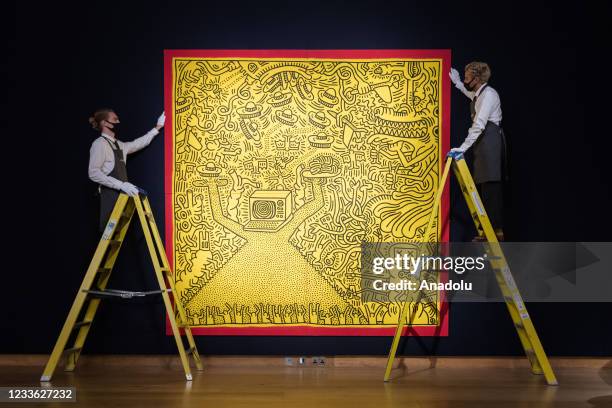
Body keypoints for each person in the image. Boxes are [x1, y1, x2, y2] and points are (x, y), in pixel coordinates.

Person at [449, 62, 506, 241]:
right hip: (483, 142)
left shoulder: (488, 94)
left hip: (490, 140)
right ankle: (489, 229)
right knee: (483, 183)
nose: (465, 78)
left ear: (477, 77)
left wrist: (463, 147)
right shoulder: (480, 94)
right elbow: (472, 96)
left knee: (491, 184)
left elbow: (479, 124)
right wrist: (458, 83)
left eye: (467, 76)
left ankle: (495, 231)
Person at [88, 109, 165, 231]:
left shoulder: (119, 144)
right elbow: (93, 173)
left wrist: (157, 128)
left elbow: (137, 144)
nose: (118, 122)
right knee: (108, 234)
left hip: (123, 196)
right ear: (104, 123)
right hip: (110, 196)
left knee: (122, 233)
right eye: (115, 119)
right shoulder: (99, 144)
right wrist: (121, 185)